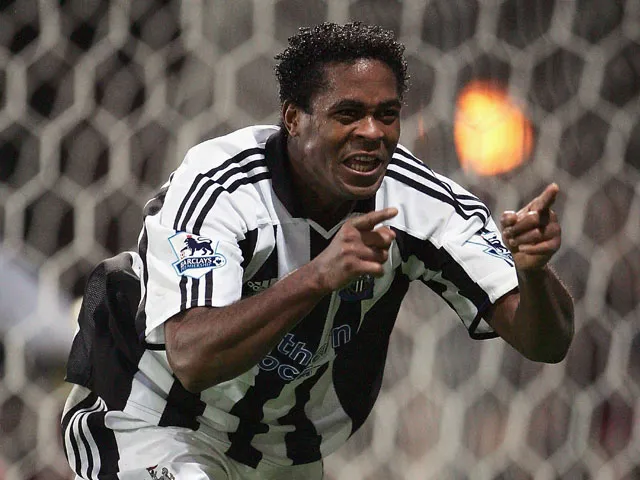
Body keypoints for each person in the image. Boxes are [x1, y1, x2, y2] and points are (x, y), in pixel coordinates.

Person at [61, 22, 574, 480]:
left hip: (283, 452)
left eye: (387, 115)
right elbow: (191, 356)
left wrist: (533, 273)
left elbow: (546, 343)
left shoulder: (421, 204)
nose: (372, 133)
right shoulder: (222, 187)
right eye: (348, 114)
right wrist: (317, 276)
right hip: (154, 418)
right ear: (293, 118)